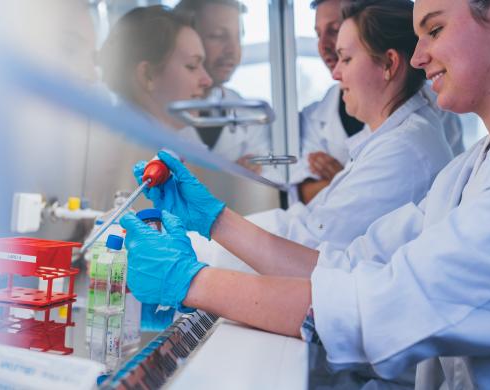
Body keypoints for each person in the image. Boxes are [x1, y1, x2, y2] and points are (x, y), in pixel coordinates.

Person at [121, 0, 490, 387]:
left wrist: (190, 282)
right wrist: (217, 222)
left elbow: (384, 305)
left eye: (434, 29)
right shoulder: (476, 165)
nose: (419, 57)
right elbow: (350, 264)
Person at [139, 0, 452, 273]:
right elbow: (303, 219)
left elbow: (309, 243)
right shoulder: (391, 139)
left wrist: (203, 236)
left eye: (346, 58)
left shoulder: (403, 152)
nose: (335, 73)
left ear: (389, 64)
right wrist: (201, 233)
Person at [292, 0, 465, 204]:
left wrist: (345, 183)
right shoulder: (320, 114)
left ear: (389, 62)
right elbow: (299, 189)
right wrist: (346, 182)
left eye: (335, 30)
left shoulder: (410, 139)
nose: (322, 46)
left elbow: (450, 187)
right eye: (318, 34)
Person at [174, 0, 272, 173]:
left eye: (239, 37)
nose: (233, 50)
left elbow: (270, 182)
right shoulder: (157, 114)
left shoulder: (250, 114)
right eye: (218, 36)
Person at [98, 6, 212, 144]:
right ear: (147, 75)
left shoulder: (182, 133)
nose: (208, 81)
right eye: (192, 66)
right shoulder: (123, 148)